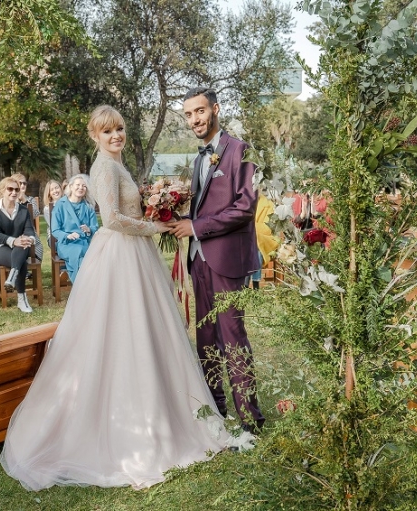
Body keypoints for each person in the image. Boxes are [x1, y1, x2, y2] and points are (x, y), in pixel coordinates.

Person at [1, 105, 232, 491]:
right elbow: (112, 219)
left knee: (147, 330)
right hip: (118, 255)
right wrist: (156, 224)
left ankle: (165, 410)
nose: (116, 136)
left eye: (120, 129)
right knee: (119, 332)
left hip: (135, 256)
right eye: (107, 132)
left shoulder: (119, 165)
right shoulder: (104, 168)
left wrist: (159, 203)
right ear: (94, 136)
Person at [167, 87, 266, 433]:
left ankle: (251, 421)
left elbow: (244, 208)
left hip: (226, 260)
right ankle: (216, 410)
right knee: (205, 337)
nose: (194, 119)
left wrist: (195, 226)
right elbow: (201, 208)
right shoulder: (198, 160)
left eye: (199, 111)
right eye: (189, 114)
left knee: (232, 337)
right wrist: (174, 215)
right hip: (199, 260)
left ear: (215, 109)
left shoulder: (240, 151)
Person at [0, 176, 41, 313]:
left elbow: (29, 229)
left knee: (22, 248)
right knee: (21, 259)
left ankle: (13, 277)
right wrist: (13, 240)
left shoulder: (23, 210)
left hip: (19, 248)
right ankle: (22, 299)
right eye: (10, 189)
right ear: (2, 191)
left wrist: (29, 239)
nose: (14, 192)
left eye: (16, 189)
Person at [49, 174, 99, 283]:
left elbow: (95, 227)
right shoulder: (60, 205)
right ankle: (84, 286)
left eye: (84, 186)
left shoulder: (88, 206)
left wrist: (89, 229)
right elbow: (55, 230)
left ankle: (80, 288)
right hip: (66, 244)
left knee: (85, 254)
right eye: (78, 185)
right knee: (79, 253)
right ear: (71, 187)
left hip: (84, 242)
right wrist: (67, 235)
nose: (81, 188)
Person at [10, 172, 43, 262]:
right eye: (20, 183)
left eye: (24, 183)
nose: (23, 185)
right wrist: (16, 200)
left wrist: (24, 199)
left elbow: (36, 214)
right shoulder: (9, 200)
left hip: (29, 236)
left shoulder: (31, 200)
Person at [252, 191, 280, 289]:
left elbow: (268, 229)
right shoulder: (240, 202)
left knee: (256, 242)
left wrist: (249, 227)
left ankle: (255, 283)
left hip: (266, 239)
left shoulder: (269, 204)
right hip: (244, 238)